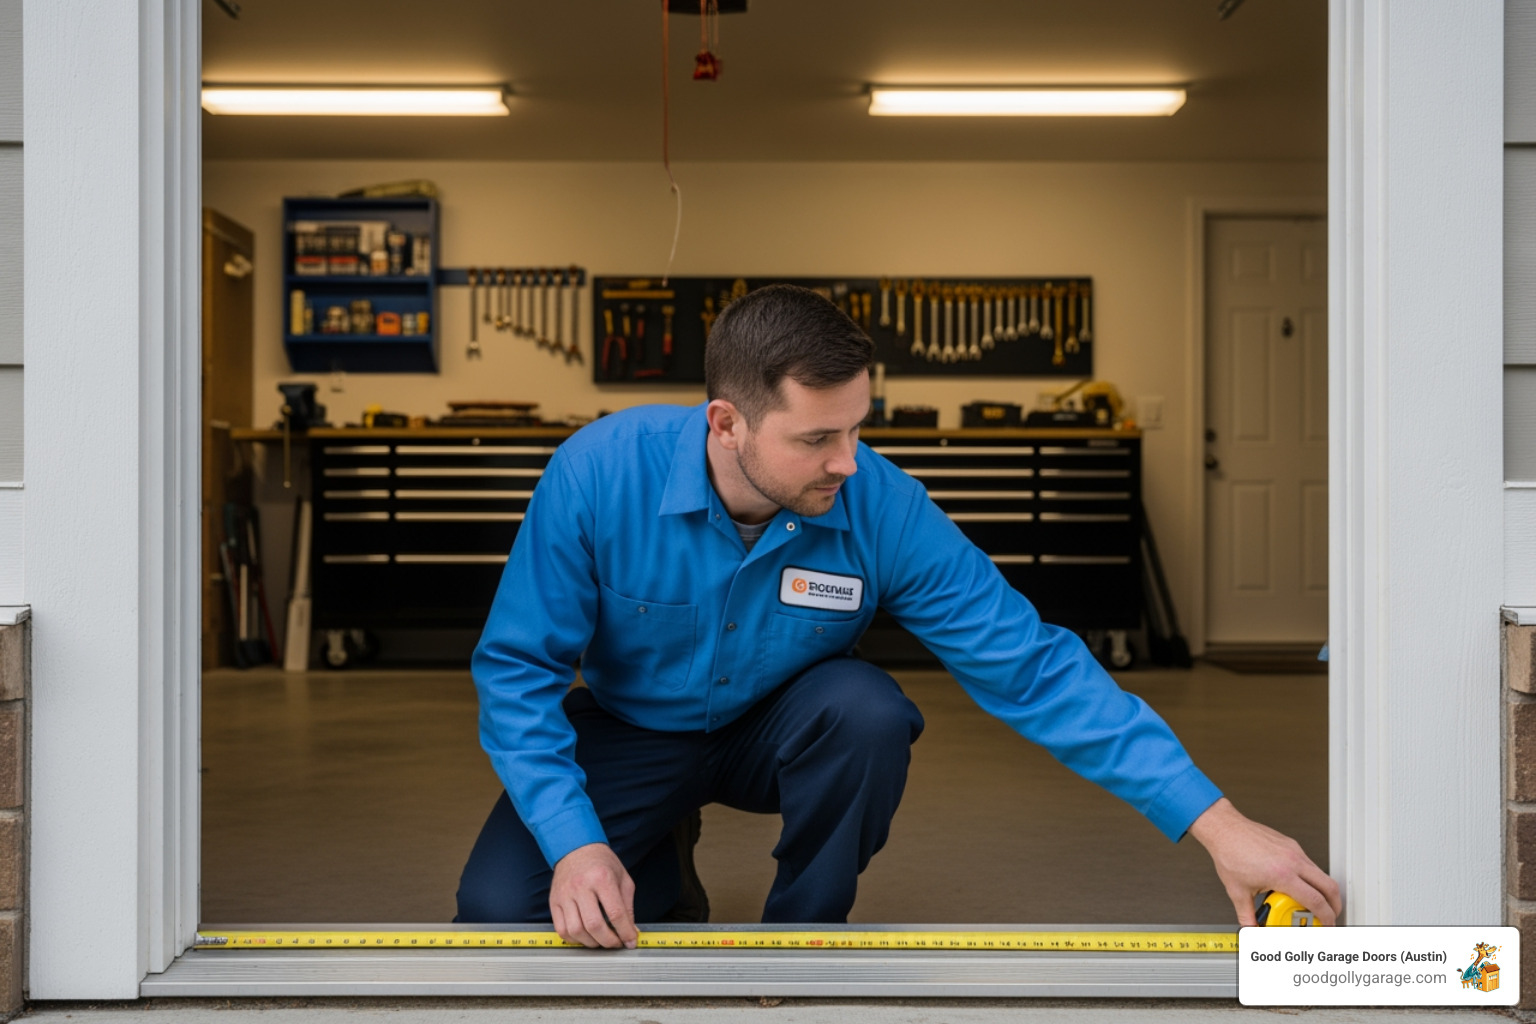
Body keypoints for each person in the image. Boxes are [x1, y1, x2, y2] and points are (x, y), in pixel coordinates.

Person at [456, 283, 1341, 948]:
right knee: (504, 914)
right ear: (727, 423)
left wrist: (1220, 827)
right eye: (815, 439)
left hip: (782, 729)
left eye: (857, 429)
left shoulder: (878, 500)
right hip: (629, 728)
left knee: (867, 709)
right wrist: (574, 844)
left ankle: (800, 950)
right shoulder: (599, 474)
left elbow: (1028, 663)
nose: (848, 463)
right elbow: (518, 672)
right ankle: (650, 851)